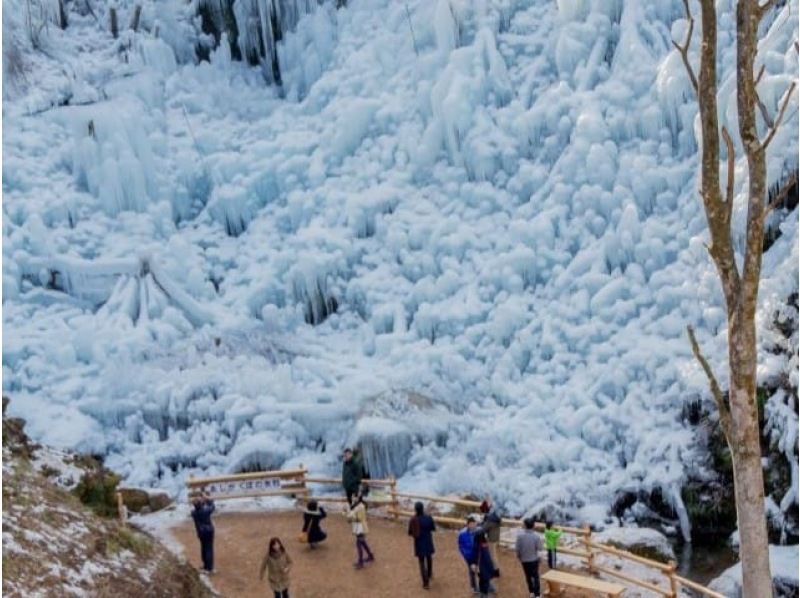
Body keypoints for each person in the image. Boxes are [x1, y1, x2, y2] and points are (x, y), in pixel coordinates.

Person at [408, 501, 437, 589]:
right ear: (423, 508)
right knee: (429, 558)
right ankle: (429, 574)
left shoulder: (413, 519)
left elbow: (410, 532)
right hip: (428, 540)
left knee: (421, 562)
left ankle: (425, 583)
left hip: (419, 542)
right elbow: (433, 528)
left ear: (415, 509)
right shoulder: (428, 517)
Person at [516, 518, 543, 598]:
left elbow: (517, 549)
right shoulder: (536, 536)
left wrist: (519, 557)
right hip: (534, 559)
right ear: (533, 526)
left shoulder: (520, 536)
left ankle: (531, 592)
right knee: (535, 577)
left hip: (524, 560)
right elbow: (540, 548)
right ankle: (537, 594)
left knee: (528, 576)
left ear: (525, 525)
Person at [347, 493, 374, 568]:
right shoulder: (357, 505)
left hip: (360, 527)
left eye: (354, 497)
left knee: (359, 544)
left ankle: (360, 562)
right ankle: (370, 556)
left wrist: (350, 517)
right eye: (352, 497)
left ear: (358, 498)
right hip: (358, 527)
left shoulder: (360, 507)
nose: (352, 498)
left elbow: (359, 518)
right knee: (363, 542)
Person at [190, 492, 215, 574]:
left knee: (203, 548)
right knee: (209, 549)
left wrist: (203, 501)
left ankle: (205, 565)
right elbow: (212, 506)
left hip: (200, 532)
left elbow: (201, 506)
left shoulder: (194, 513)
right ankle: (209, 568)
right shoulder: (205, 511)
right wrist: (208, 499)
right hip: (209, 531)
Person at [470, 530, 497, 598]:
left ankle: (484, 592)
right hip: (485, 566)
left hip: (483, 566)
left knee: (483, 580)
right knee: (485, 580)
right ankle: (484, 593)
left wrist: (473, 563)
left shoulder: (477, 544)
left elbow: (474, 555)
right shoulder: (484, 543)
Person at [480, 495, 502, 577]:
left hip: (492, 539)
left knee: (492, 555)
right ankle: (495, 570)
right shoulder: (495, 516)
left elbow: (483, 528)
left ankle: (496, 571)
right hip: (495, 537)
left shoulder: (490, 519)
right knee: (493, 554)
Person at [458, 515, 479, 593]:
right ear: (468, 524)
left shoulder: (479, 532)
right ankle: (473, 587)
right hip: (469, 556)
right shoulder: (462, 534)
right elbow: (462, 548)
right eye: (472, 524)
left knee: (481, 570)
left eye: (474, 523)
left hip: (479, 555)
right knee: (472, 570)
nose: (473, 525)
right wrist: (470, 562)